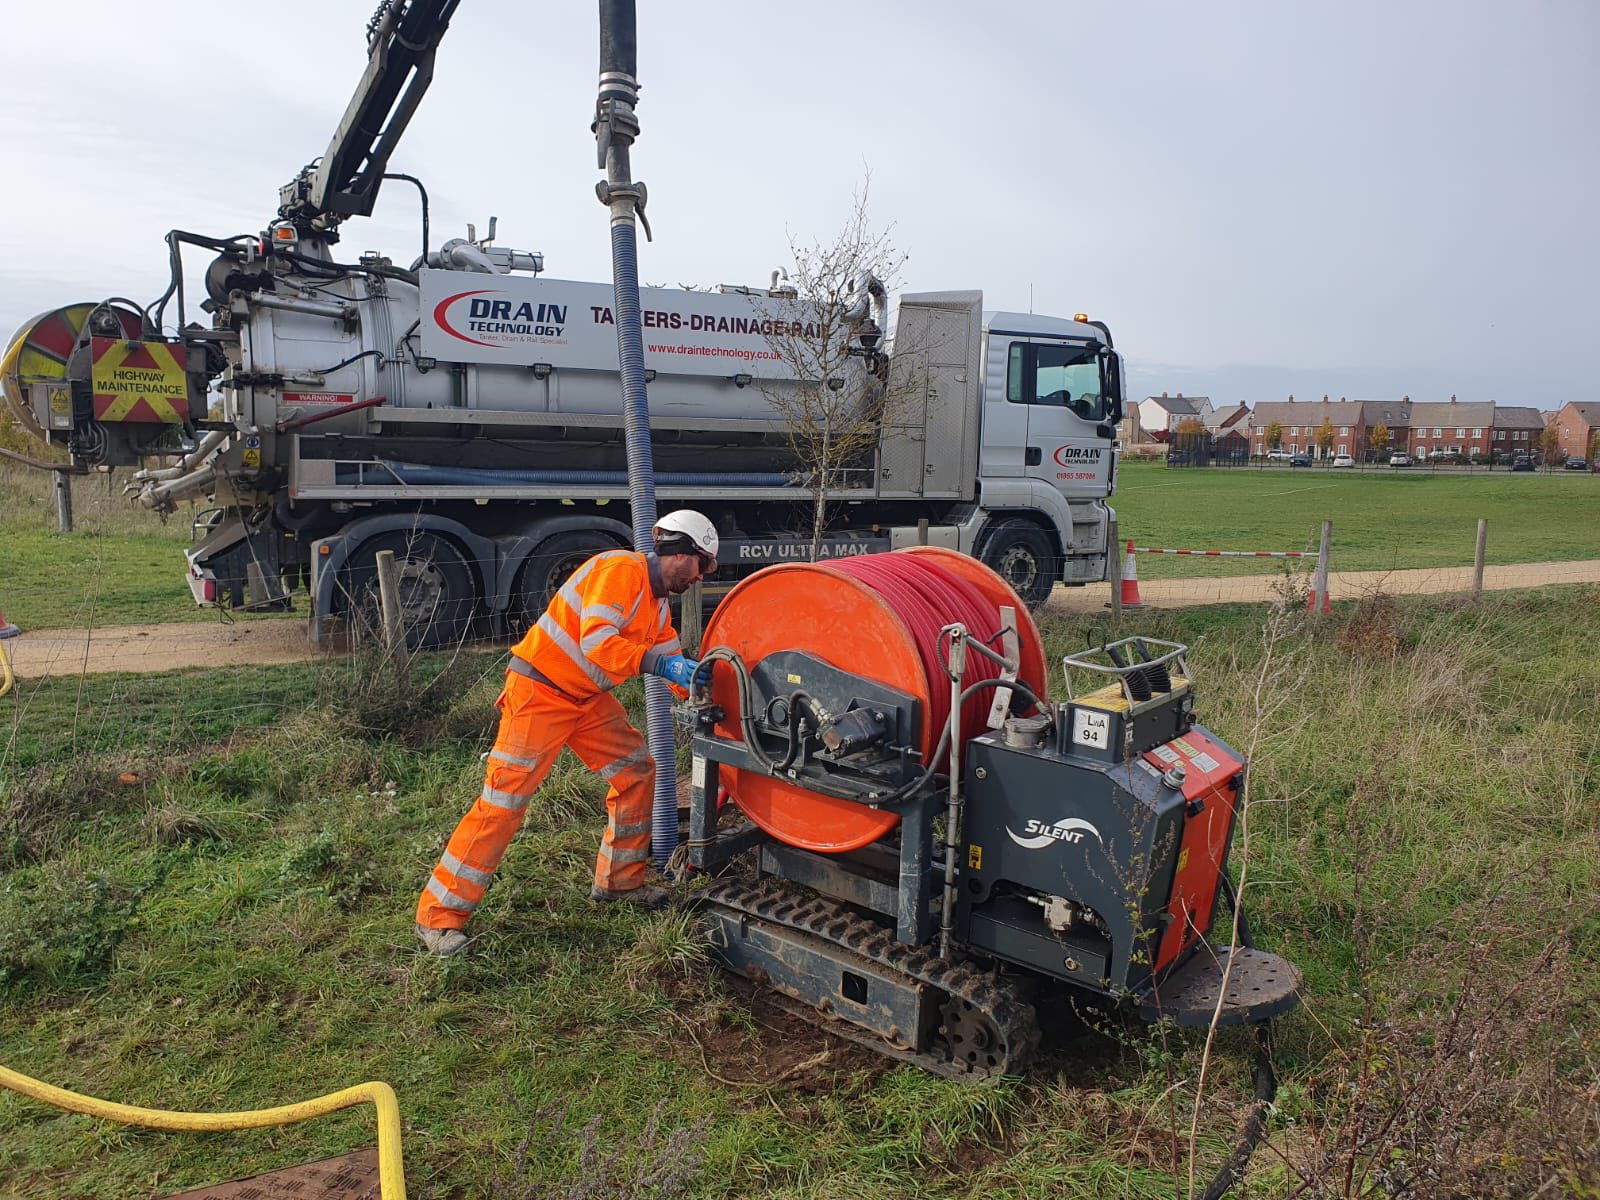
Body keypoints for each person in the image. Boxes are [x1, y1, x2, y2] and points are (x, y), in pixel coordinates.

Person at [415, 510, 719, 957]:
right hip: (540, 692)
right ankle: (439, 918)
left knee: (637, 772)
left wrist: (701, 684)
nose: (703, 576)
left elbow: (673, 659)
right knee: (504, 802)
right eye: (703, 564)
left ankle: (619, 883)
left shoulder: (656, 606)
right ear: (678, 551)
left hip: (584, 699)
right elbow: (599, 643)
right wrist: (662, 665)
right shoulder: (620, 570)